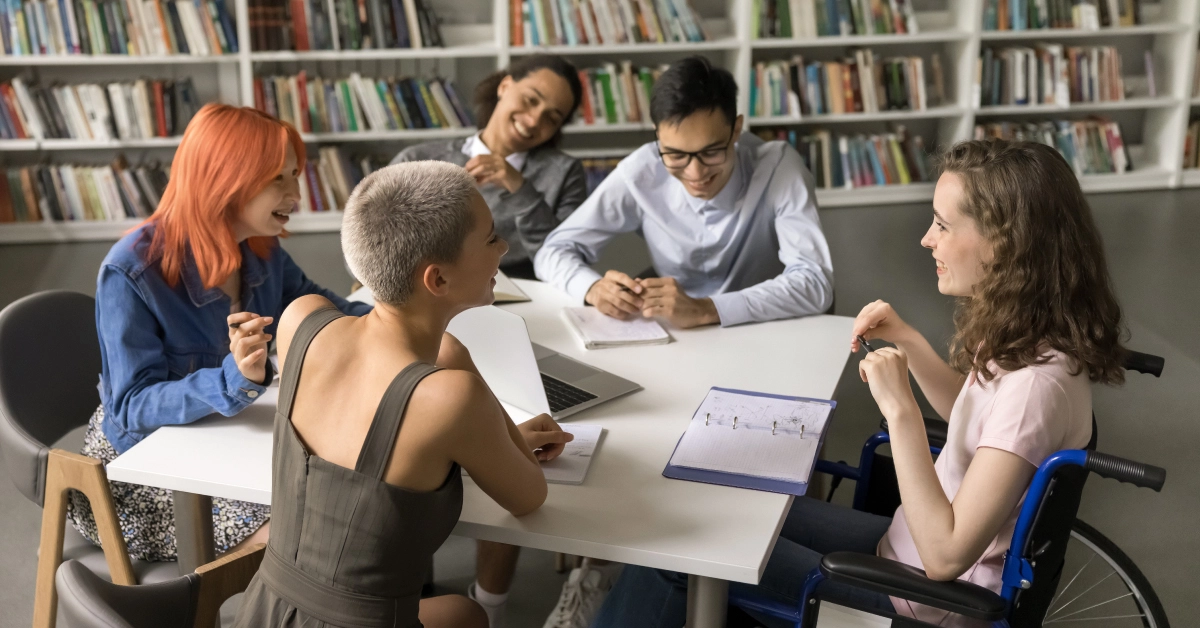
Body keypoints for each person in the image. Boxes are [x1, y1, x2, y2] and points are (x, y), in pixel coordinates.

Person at [592, 139, 1129, 627]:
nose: (926, 239)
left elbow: (944, 557)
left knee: (683, 556)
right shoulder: (1037, 338)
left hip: (915, 601)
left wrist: (901, 413)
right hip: (900, 552)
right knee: (728, 507)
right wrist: (912, 342)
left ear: (1005, 243)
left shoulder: (1036, 387)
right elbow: (977, 419)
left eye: (942, 225)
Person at [232, 160, 573, 628]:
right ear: (437, 280)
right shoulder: (450, 394)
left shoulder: (301, 320)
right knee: (469, 614)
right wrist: (459, 362)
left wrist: (491, 428)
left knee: (460, 612)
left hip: (266, 611)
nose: (505, 247)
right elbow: (528, 496)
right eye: (492, 237)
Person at [66, 104, 372, 562]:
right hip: (145, 473)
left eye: (295, 175)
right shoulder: (132, 271)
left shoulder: (262, 249)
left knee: (352, 496)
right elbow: (132, 407)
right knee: (308, 529)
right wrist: (233, 380)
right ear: (228, 180)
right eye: (280, 180)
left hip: (231, 442)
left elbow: (319, 305)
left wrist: (390, 314)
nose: (297, 195)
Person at [534, 55, 834, 331]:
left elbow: (816, 283)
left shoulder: (780, 167)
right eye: (675, 155)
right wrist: (592, 288)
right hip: (675, 338)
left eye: (712, 152)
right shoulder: (640, 172)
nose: (695, 173)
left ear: (736, 130)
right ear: (658, 136)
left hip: (766, 330)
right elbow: (552, 252)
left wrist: (707, 308)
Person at [392, 54, 587, 280]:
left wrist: (521, 189)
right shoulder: (417, 161)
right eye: (531, 100)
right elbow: (369, 248)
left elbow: (567, 261)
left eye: (551, 119)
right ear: (505, 86)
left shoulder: (564, 173)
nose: (534, 121)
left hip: (527, 299)